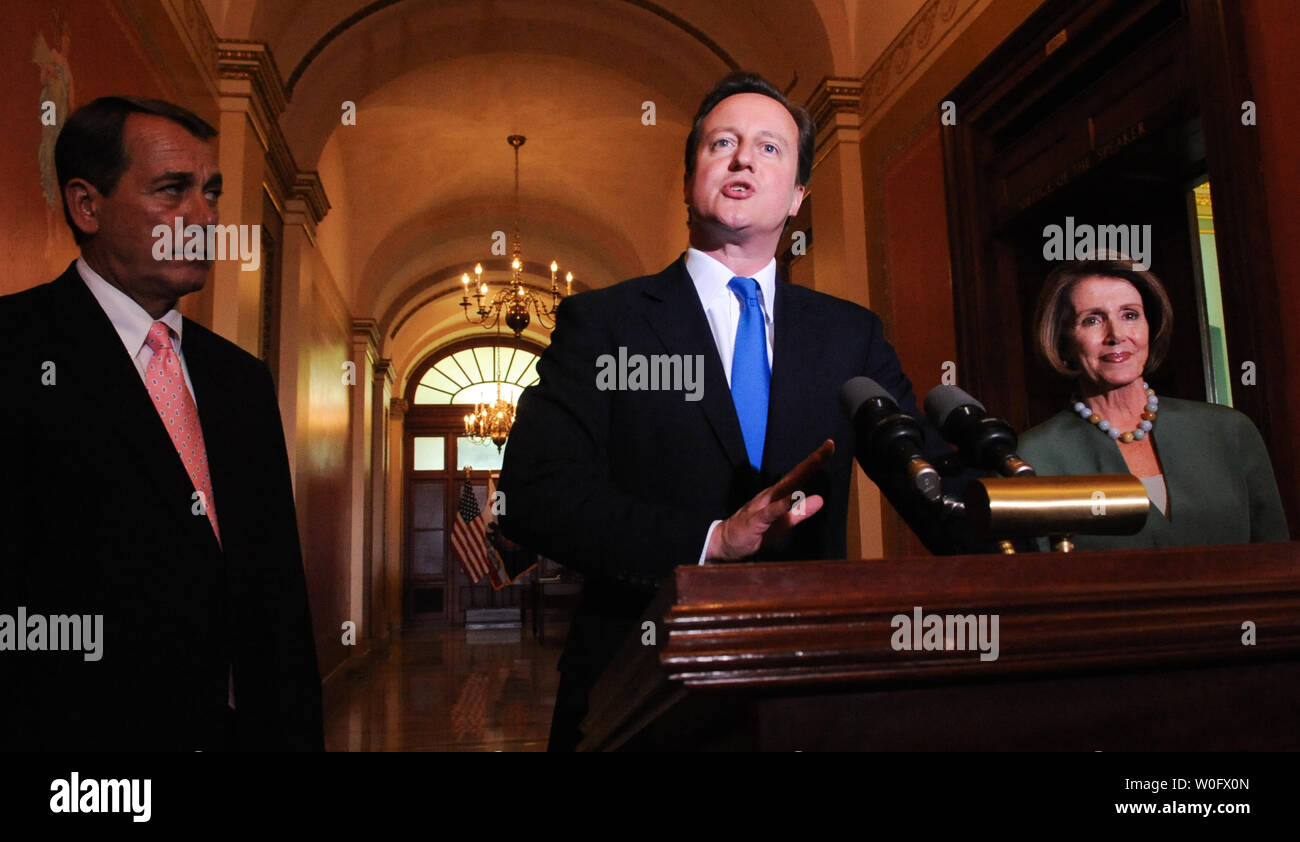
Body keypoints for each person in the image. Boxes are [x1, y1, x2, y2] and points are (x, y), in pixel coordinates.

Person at [499, 72, 975, 751]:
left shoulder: (850, 335)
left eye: (770, 148)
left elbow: (929, 481)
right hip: (637, 690)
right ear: (690, 176)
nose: (744, 158)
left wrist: (1044, 536)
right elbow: (534, 495)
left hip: (804, 689)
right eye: (723, 142)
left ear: (799, 196)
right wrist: (712, 541)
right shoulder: (604, 323)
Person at [0, 96, 323, 750]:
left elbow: (277, 599)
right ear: (86, 205)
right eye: (173, 191)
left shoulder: (241, 379)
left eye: (211, 194)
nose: (204, 218)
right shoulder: (14, 350)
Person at [1018, 257, 1289, 550]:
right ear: (1063, 341)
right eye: (1092, 320)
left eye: (1130, 315)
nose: (1116, 335)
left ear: (1150, 326)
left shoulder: (1229, 431)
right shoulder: (1033, 456)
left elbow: (1276, 557)